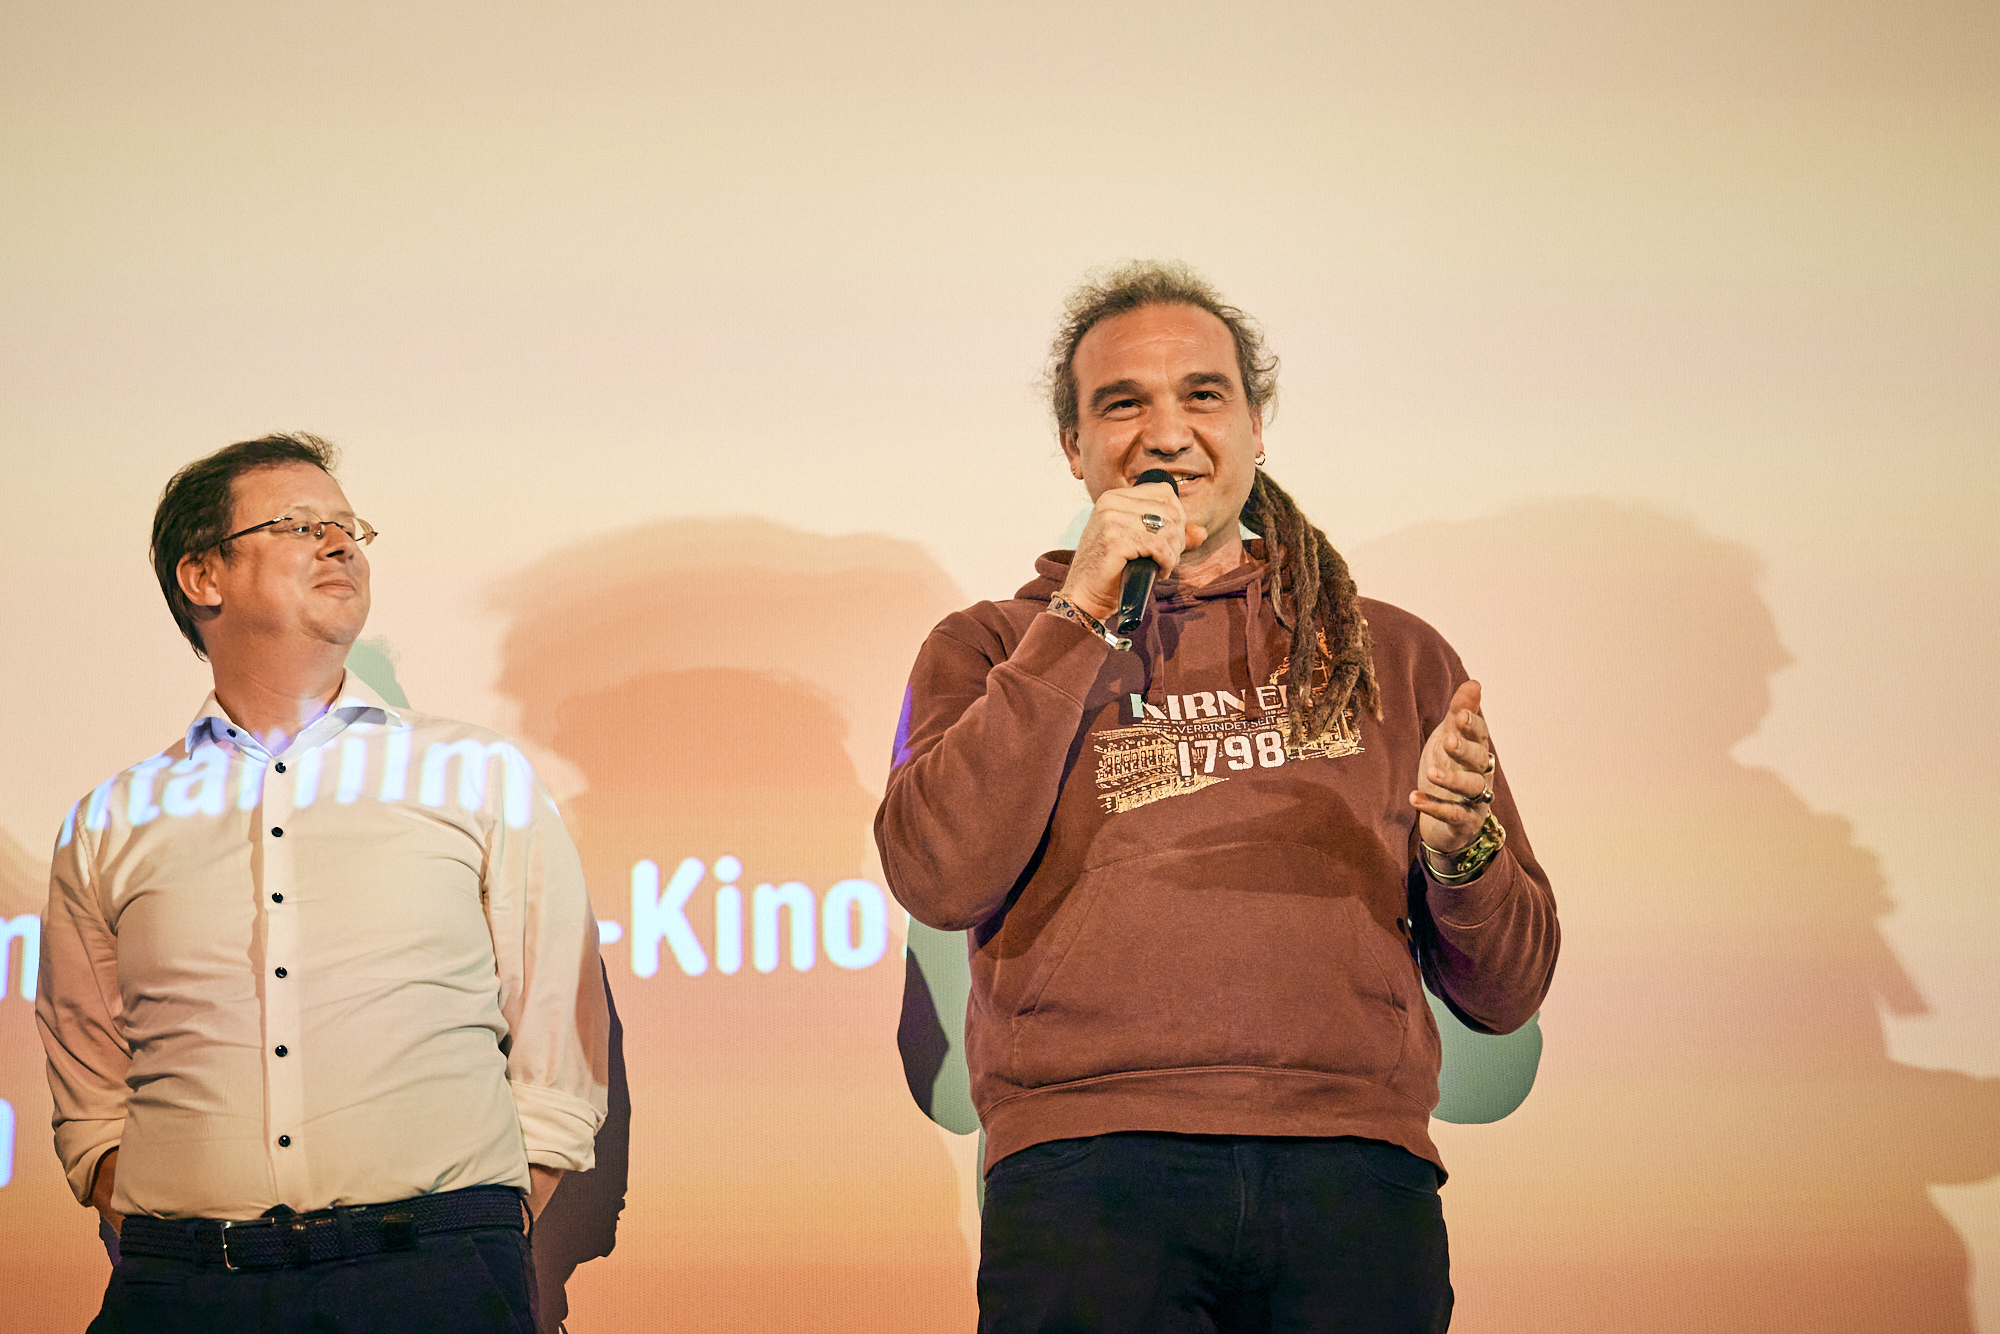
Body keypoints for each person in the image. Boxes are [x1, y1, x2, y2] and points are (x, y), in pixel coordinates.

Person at [874, 262, 1560, 1333]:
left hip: (1351, 1173)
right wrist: (1078, 614)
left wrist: (1463, 855)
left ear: (1254, 427)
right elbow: (936, 873)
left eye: (1202, 395)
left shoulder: (1389, 652)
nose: (1166, 434)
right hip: (1086, 1172)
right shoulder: (992, 646)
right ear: (1074, 447)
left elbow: (1509, 988)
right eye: (1123, 404)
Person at [37, 434, 609, 1334]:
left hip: (432, 1273)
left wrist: (488, 1223)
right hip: (186, 1286)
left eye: (349, 528)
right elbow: (87, 1071)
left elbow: (556, 1035)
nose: (341, 544)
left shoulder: (474, 775)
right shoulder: (113, 817)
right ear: (203, 575)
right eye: (300, 525)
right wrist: (152, 1217)